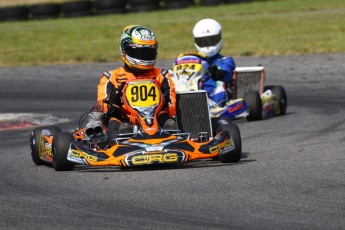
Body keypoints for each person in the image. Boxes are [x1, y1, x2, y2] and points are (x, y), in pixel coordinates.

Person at [97, 25, 176, 142]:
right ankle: (116, 143)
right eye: (140, 53)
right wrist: (114, 100)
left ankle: (172, 137)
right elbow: (105, 106)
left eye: (148, 53)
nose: (144, 57)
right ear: (126, 50)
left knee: (165, 117)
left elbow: (171, 105)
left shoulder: (161, 75)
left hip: (155, 119)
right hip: (125, 120)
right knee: (114, 120)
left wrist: (163, 100)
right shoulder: (111, 77)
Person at [192, 18, 236, 106]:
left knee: (220, 88)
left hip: (215, 96)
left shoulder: (226, 60)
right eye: (202, 42)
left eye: (211, 40)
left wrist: (217, 73)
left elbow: (227, 75)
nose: (207, 45)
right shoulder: (193, 61)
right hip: (194, 93)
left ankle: (214, 107)